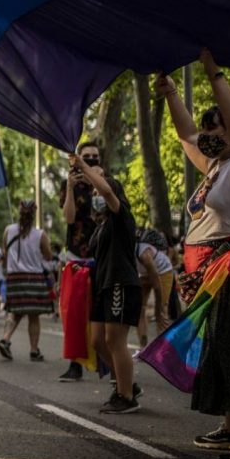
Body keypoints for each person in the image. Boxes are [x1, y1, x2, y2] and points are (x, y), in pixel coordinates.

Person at [158, 52, 230, 459]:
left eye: (217, 128)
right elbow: (185, 134)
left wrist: (213, 72)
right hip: (209, 273)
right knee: (222, 347)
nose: (208, 135)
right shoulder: (215, 167)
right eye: (208, 129)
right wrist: (171, 91)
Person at [70, 156, 141, 414]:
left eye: (100, 189)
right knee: (99, 340)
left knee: (115, 340)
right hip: (105, 286)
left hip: (121, 283)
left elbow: (107, 190)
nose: (97, 195)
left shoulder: (121, 215)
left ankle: (126, 396)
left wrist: (85, 168)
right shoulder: (101, 226)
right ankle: (127, 383)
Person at [58, 142, 103, 380]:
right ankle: (75, 364)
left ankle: (103, 362)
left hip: (100, 255)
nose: (92, 160)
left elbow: (103, 214)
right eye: (87, 156)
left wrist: (97, 181)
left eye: (95, 156)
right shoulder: (69, 185)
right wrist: (70, 187)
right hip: (76, 256)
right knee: (74, 312)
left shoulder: (104, 183)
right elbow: (69, 217)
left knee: (98, 313)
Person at [0, 200, 53, 362]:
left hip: (14, 277)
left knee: (15, 312)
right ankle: (34, 350)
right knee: (34, 316)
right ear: (34, 214)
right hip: (33, 278)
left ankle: (5, 339)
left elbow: (5, 252)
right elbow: (48, 255)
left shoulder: (8, 230)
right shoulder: (40, 234)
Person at [135, 230, 173, 348]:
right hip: (145, 274)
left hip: (162, 271)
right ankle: (143, 347)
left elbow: (157, 287)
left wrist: (157, 313)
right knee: (139, 309)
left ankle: (163, 349)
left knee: (162, 308)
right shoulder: (123, 253)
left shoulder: (144, 254)